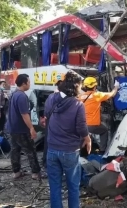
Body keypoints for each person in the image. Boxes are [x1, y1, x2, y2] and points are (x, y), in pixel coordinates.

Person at [45, 72, 91, 208]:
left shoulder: (51, 98)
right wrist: (87, 139)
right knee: (73, 186)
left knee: (54, 186)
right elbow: (81, 127)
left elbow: (46, 116)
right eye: (80, 86)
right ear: (76, 86)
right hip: (70, 151)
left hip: (52, 149)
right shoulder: (78, 105)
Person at [6, 74, 43, 180]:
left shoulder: (14, 94)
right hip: (21, 129)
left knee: (15, 150)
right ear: (24, 83)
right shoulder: (22, 96)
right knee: (31, 150)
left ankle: (16, 172)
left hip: (12, 128)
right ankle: (35, 173)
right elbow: (24, 114)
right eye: (29, 82)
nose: (29, 84)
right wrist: (31, 128)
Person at [79, 77, 119, 154]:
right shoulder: (97, 95)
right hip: (92, 125)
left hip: (82, 125)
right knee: (104, 131)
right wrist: (116, 86)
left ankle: (81, 152)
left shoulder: (81, 96)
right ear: (95, 86)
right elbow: (112, 94)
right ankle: (102, 150)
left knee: (83, 137)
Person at [41, 79, 63, 168]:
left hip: (49, 120)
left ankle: (46, 162)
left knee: (48, 141)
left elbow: (46, 110)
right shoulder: (60, 97)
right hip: (57, 121)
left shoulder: (50, 96)